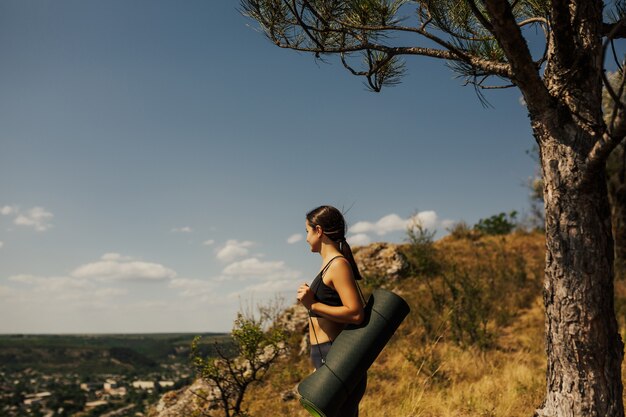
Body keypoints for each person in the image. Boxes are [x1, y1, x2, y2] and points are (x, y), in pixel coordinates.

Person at [296, 205, 367, 417]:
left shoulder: (338, 265)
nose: (306, 238)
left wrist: (313, 304)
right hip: (326, 357)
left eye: (307, 231)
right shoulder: (328, 265)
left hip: (335, 356)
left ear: (319, 231)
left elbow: (356, 314)